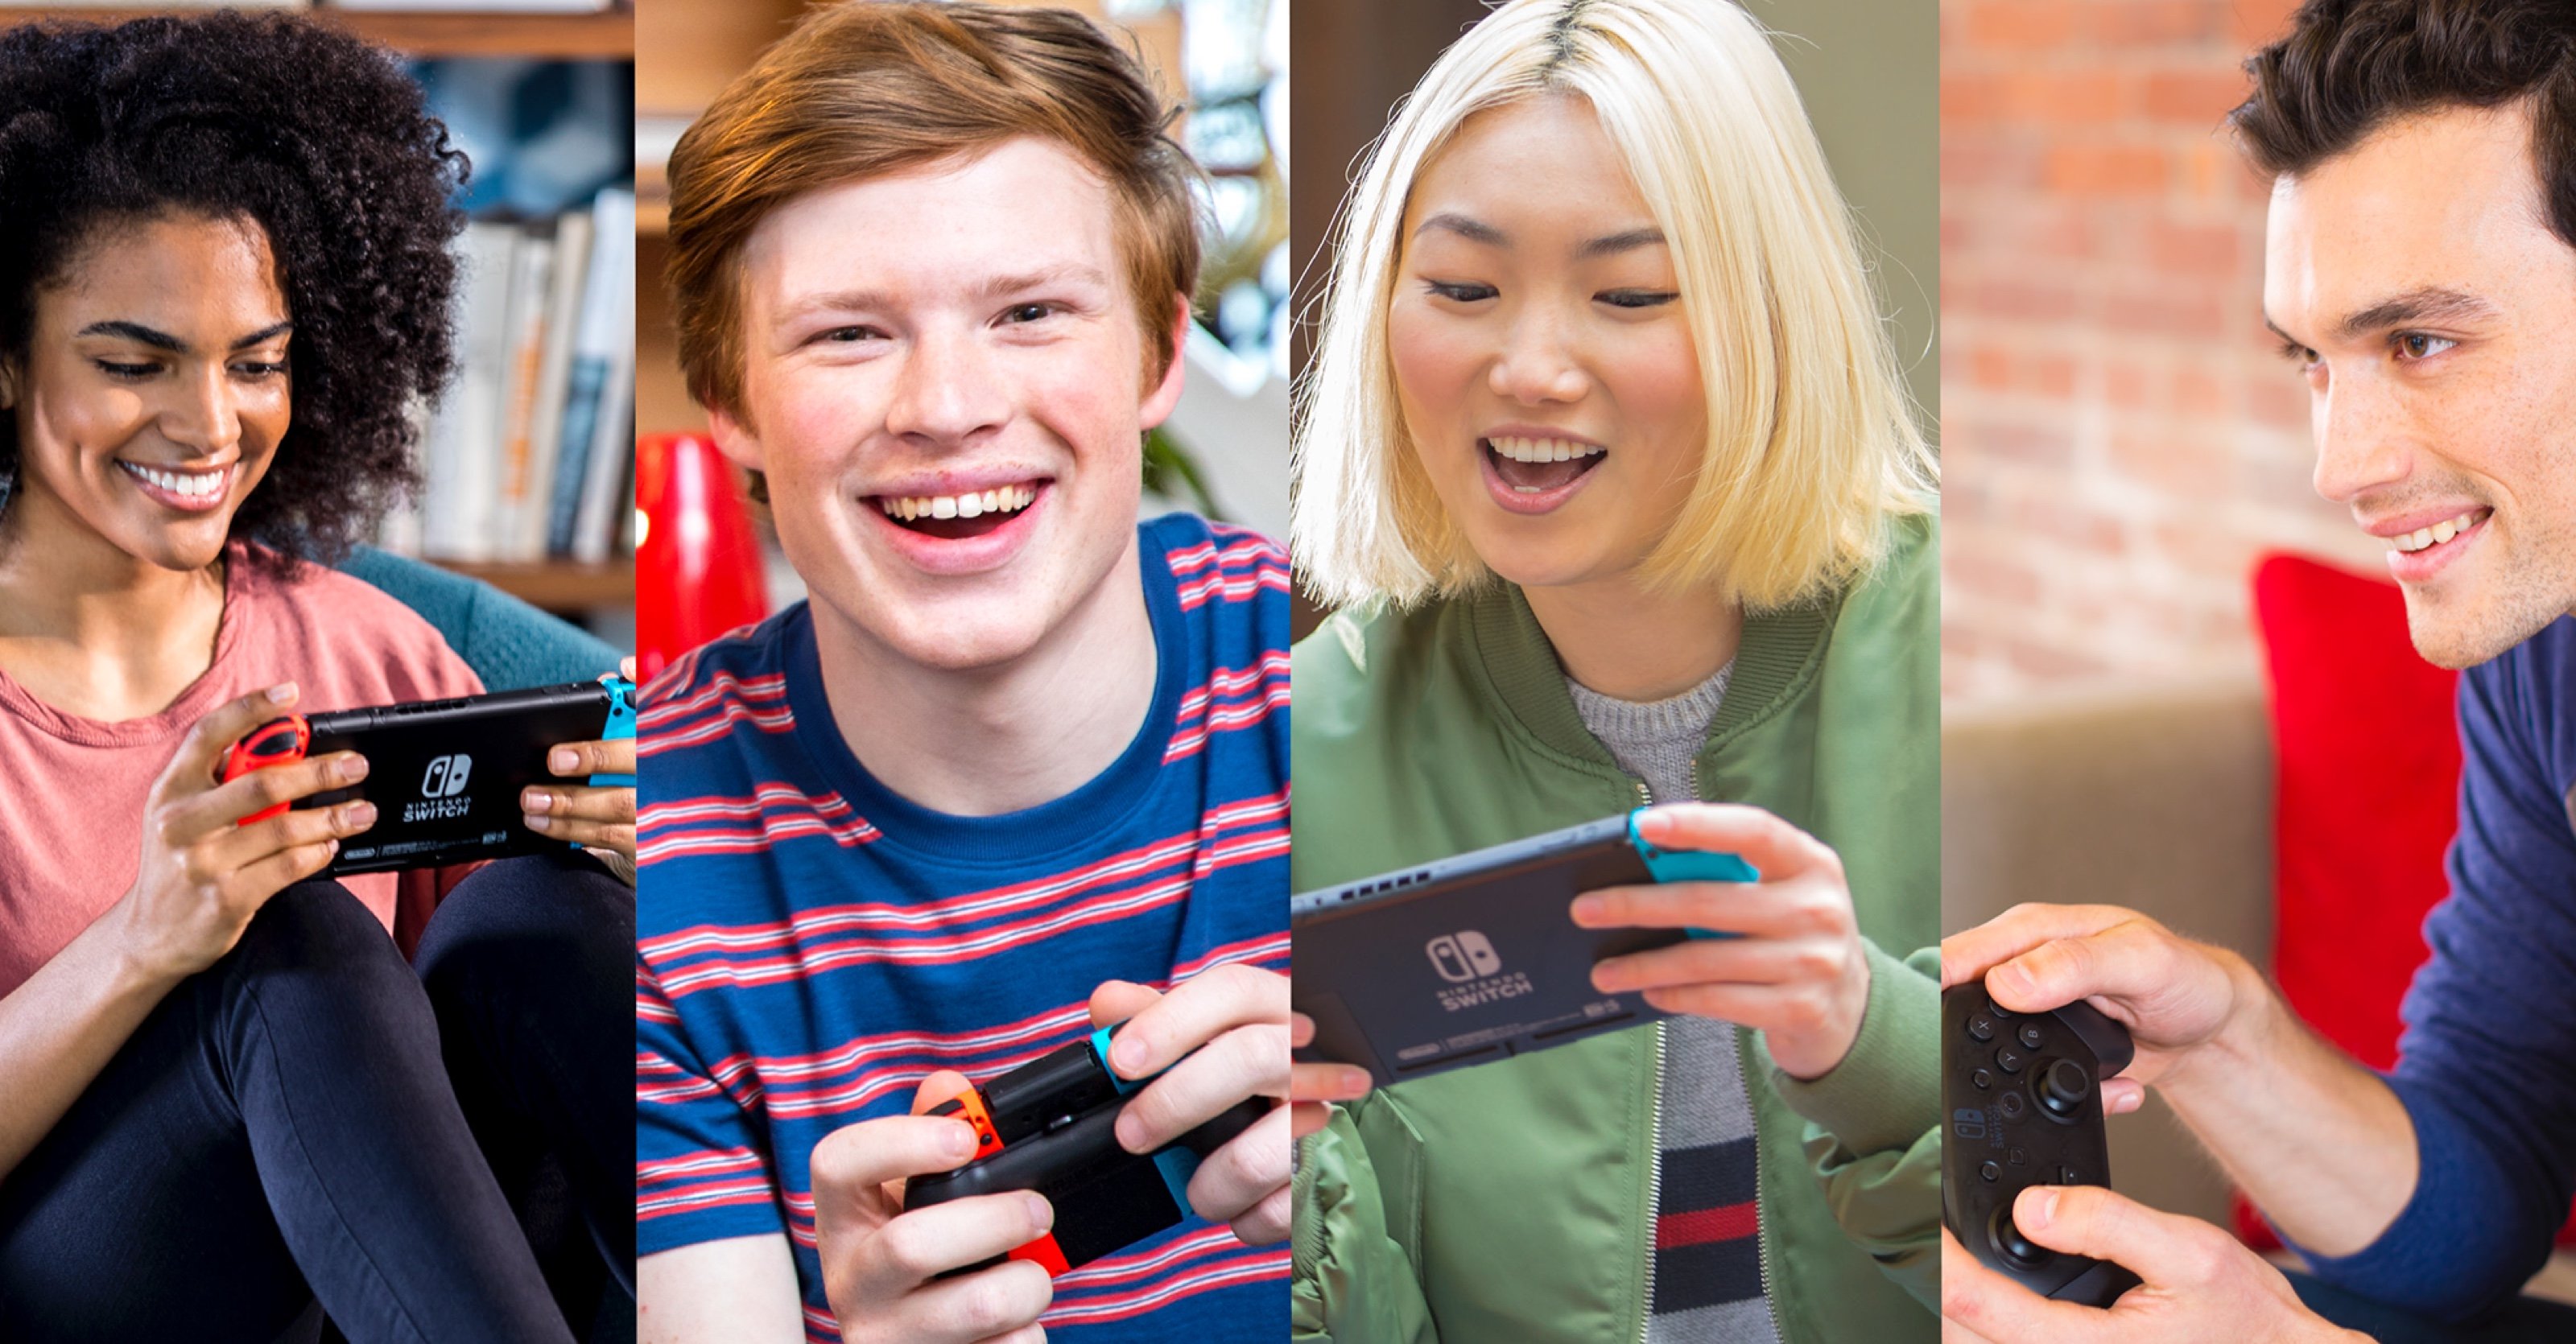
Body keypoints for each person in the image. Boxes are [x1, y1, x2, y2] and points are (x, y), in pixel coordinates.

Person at [631, 5, 1292, 1342]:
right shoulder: (639, 857)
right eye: (848, 335)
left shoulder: (1353, 680)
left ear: (1160, 353)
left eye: (1032, 311)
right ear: (732, 405)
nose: (946, 405)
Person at [1284, 0, 1942, 1338]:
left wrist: (1867, 1037)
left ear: (1772, 318)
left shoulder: (1954, 656)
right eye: (1463, 290)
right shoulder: (1304, 742)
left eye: (1630, 295)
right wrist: (1279, 1199)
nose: (1528, 368)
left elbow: (2085, 1268)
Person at [1940, 2, 2576, 1340]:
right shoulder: (2539, 646)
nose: (2339, 468)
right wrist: (2229, 1042)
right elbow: (2492, 1183)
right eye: (2314, 360)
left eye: (2422, 342)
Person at [0, 12, 637, 1342]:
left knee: (551, 915)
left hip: (397, 1271)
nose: (209, 423)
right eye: (133, 362)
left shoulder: (369, 644)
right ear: (8, 358)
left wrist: (638, 861)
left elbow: (511, 1005)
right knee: (282, 935)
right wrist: (141, 944)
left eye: (259, 362)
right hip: (93, 1287)